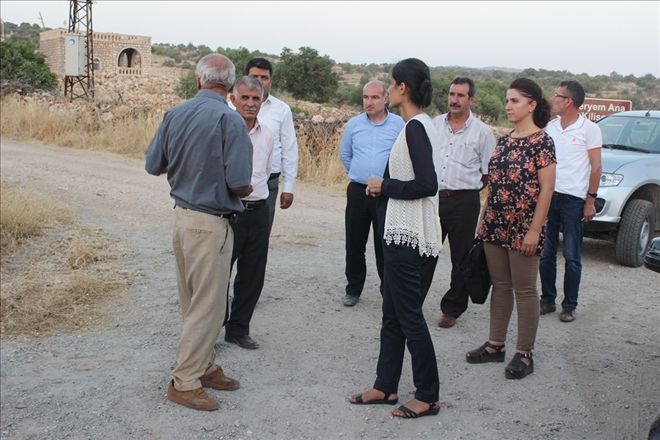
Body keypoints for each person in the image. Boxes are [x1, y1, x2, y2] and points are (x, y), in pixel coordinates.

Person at [145, 54, 253, 411]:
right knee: (207, 307)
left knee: (193, 302)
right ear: (231, 85)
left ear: (198, 80)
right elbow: (239, 183)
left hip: (182, 218)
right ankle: (184, 381)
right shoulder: (230, 120)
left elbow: (152, 165)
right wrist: (245, 188)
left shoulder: (175, 113)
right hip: (211, 223)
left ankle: (203, 366)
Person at [348, 58, 443, 419]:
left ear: (403, 88)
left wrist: (383, 185)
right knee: (391, 314)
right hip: (400, 231)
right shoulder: (416, 126)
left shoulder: (416, 128)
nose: (386, 90)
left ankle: (428, 395)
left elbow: (427, 184)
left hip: (409, 236)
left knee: (408, 316)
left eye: (390, 83)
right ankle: (385, 385)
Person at [466, 78, 556, 380]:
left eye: (514, 101)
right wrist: (484, 216)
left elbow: (546, 190)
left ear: (532, 105)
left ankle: (524, 352)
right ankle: (495, 345)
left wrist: (534, 230)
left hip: (523, 228)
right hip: (495, 223)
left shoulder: (542, 142)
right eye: (506, 100)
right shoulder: (504, 140)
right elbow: (493, 184)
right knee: (501, 285)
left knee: (526, 290)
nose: (508, 106)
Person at [432, 77, 497, 328]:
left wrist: (465, 189)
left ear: (471, 99)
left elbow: (488, 173)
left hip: (464, 201)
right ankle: (412, 302)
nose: (454, 100)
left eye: (460, 95)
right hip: (433, 198)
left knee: (461, 257)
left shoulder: (482, 132)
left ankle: (453, 308)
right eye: (451, 94)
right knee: (424, 251)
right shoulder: (434, 125)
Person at [539, 80, 602, 323]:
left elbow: (596, 167)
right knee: (546, 254)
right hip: (549, 197)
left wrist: (590, 200)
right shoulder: (551, 127)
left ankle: (569, 305)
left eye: (558, 96)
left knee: (572, 256)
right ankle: (547, 300)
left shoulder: (589, 129)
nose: (554, 99)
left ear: (570, 102)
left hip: (574, 200)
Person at [339, 80, 404, 307]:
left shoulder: (399, 125)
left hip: (386, 193)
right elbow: (345, 155)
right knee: (354, 242)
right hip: (358, 191)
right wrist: (360, 174)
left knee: (384, 244)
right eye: (366, 97)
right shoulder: (354, 125)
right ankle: (353, 288)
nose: (369, 102)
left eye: (375, 97)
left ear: (386, 98)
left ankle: (388, 291)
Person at [224, 76, 274, 350]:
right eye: (245, 97)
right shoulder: (225, 129)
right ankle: (213, 327)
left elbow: (265, 173)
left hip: (259, 211)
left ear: (262, 101)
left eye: (256, 98)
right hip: (230, 211)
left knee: (252, 275)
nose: (251, 103)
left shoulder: (267, 134)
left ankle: (238, 329)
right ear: (233, 99)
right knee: (220, 273)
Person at [245, 58, 299, 230]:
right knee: (230, 238)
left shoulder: (281, 109)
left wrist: (288, 187)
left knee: (259, 240)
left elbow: (289, 149)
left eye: (264, 77)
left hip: (269, 183)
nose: (259, 82)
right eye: (254, 77)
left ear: (270, 80)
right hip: (234, 180)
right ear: (245, 77)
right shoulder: (231, 105)